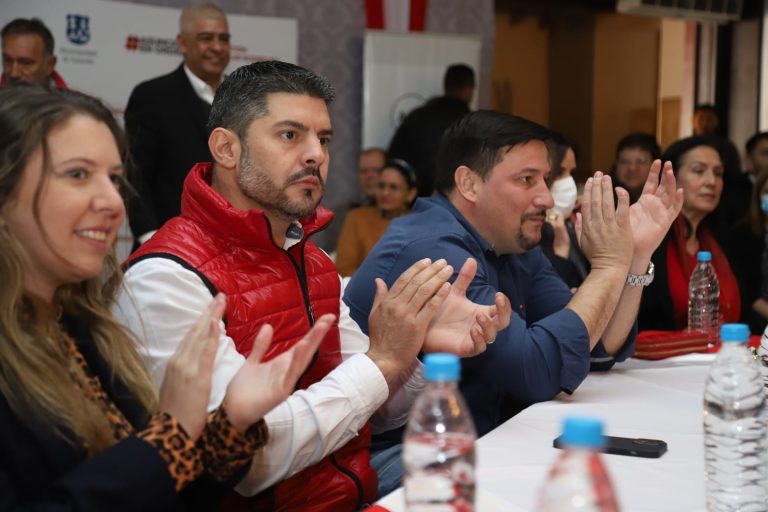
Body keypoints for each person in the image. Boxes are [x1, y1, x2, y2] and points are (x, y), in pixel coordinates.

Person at [112, 61, 510, 510]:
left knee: (495, 478)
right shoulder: (166, 278)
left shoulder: (311, 260)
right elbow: (249, 463)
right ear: (226, 148)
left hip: (349, 486)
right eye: (290, 135)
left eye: (323, 139)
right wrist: (382, 359)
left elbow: (376, 414)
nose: (315, 155)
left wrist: (414, 351)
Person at [0, 83, 330, 510]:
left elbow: (163, 489)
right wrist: (167, 438)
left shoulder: (82, 328)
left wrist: (230, 423)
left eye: (114, 179)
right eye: (78, 174)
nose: (113, 202)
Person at [344, 110, 683, 438]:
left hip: (485, 440)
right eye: (527, 180)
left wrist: (635, 257)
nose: (547, 198)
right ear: (469, 184)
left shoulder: (512, 243)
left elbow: (595, 345)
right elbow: (539, 372)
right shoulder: (434, 249)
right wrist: (609, 265)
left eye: (545, 179)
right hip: (405, 455)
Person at [124, 3, 231, 244]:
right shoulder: (152, 97)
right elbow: (135, 176)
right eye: (206, 38)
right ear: (182, 43)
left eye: (224, 39)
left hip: (234, 248)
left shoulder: (246, 99)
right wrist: (152, 239)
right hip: (170, 246)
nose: (217, 47)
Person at [638, 135, 741, 332]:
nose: (711, 181)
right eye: (698, 171)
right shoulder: (651, 237)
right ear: (672, 177)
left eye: (718, 173)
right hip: (657, 349)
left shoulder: (721, 239)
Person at [388, 63, 474, 197]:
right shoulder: (472, 123)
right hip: (453, 199)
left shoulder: (417, 116)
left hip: (413, 198)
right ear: (468, 90)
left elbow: (395, 159)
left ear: (445, 86)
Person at [336, 159, 417, 277]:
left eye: (394, 187)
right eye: (381, 186)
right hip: (362, 285)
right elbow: (344, 268)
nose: (385, 193)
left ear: (410, 194)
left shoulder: (420, 224)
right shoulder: (357, 217)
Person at [720, 169, 768, 333]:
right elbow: (745, 290)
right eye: (767, 191)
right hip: (755, 321)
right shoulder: (741, 235)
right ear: (758, 196)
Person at [539, 133, 589, 289]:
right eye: (560, 172)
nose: (569, 182)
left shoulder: (571, 225)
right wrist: (560, 251)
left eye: (571, 173)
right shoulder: (529, 234)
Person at [1, 17, 67, 87]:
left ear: (49, 65)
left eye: (26, 63)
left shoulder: (71, 95)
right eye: (8, 61)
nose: (14, 74)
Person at [610, 132, 660, 204]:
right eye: (624, 162)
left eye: (641, 161)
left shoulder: (664, 199)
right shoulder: (605, 199)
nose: (632, 168)